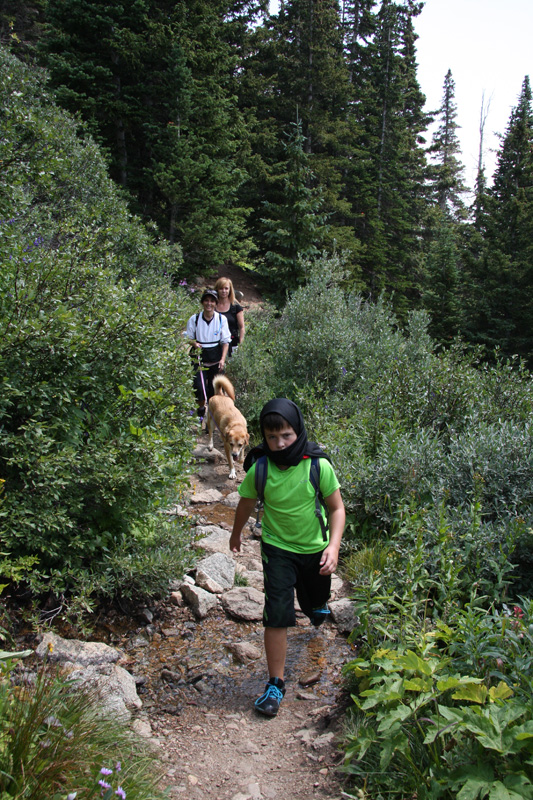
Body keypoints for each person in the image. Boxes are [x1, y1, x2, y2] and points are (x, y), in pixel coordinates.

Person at [230, 398, 345, 717]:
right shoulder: (261, 469)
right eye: (272, 437)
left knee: (315, 603)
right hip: (277, 549)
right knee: (277, 612)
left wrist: (333, 546)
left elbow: (336, 508)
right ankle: (275, 684)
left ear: (299, 432)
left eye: (286, 435)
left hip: (315, 550)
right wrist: (236, 533)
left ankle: (317, 607)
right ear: (263, 438)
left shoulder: (318, 466)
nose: (279, 444)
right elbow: (245, 503)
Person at [186, 288, 231, 418]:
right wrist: (194, 344)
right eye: (206, 300)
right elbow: (188, 338)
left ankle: (212, 415)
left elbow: (225, 342)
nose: (209, 303)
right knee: (199, 388)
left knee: (215, 390)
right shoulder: (194, 319)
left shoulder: (221, 319)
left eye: (212, 301)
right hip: (199, 358)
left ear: (216, 303)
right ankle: (201, 411)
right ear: (202, 302)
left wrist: (222, 359)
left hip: (215, 358)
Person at [214, 277, 245, 357]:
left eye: (226, 288)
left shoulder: (235, 307)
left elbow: (241, 327)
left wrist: (241, 344)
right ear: (217, 289)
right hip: (215, 345)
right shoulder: (212, 306)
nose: (224, 291)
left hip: (233, 344)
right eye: (221, 288)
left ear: (230, 290)